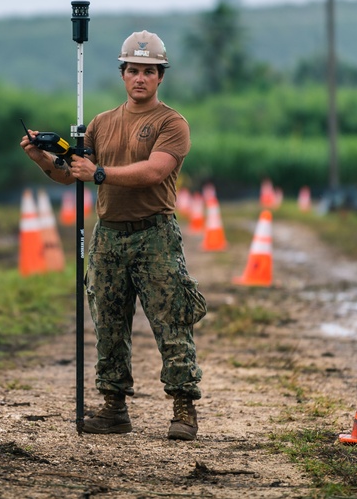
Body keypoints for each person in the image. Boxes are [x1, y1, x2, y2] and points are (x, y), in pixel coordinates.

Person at [20, 30, 207, 441]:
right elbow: (72, 176)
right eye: (133, 70)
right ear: (123, 74)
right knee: (108, 322)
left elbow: (155, 171)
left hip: (154, 234)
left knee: (171, 321)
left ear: (160, 77)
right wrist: (43, 157)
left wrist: (100, 173)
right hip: (108, 236)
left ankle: (183, 407)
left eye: (149, 71)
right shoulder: (102, 124)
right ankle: (113, 406)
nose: (140, 78)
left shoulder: (171, 123)